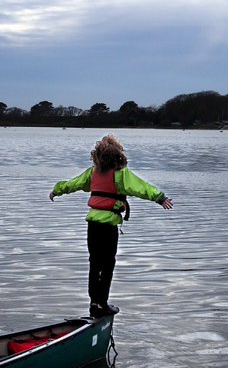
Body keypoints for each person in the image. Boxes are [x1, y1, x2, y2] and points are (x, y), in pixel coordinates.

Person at [49, 134, 172, 318]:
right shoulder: (120, 173)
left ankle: (94, 303)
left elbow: (72, 184)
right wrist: (160, 198)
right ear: (117, 154)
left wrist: (56, 191)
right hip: (108, 226)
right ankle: (102, 303)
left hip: (93, 225)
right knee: (108, 263)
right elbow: (141, 187)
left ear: (97, 154)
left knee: (94, 262)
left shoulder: (93, 172)